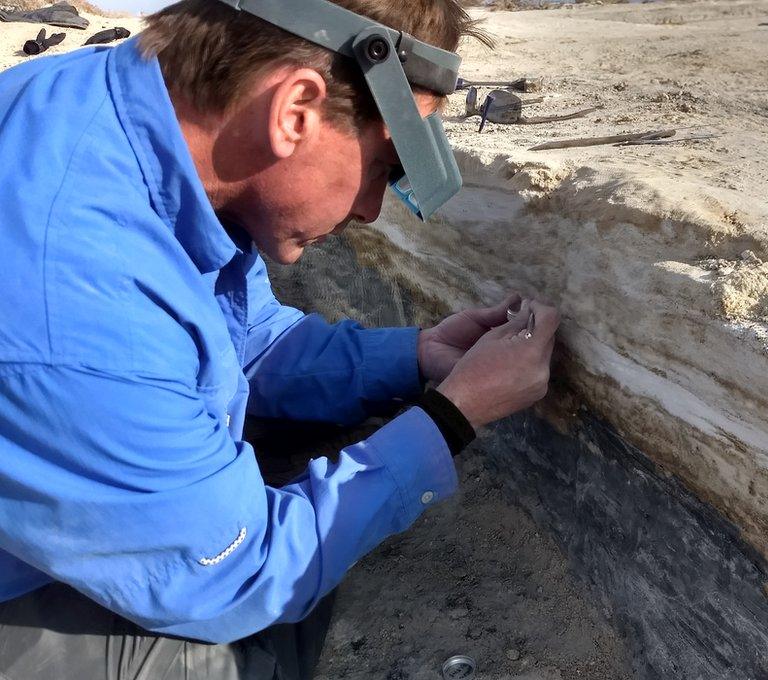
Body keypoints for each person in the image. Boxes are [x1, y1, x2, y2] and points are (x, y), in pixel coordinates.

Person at [0, 0, 559, 677]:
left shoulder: (125, 116)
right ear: (294, 110)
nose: (371, 210)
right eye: (382, 166)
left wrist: (414, 356)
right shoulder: (78, 302)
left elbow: (240, 341)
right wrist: (449, 419)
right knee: (215, 655)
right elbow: (237, 574)